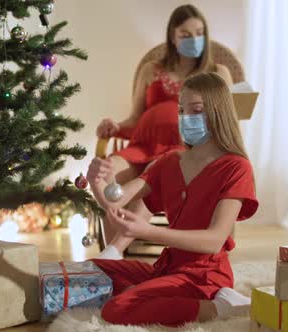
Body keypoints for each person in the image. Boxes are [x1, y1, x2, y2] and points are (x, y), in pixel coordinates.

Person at [87, 72, 257, 326]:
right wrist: (97, 182)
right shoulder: (168, 162)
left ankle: (219, 307)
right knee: (93, 269)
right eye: (181, 110)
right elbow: (116, 201)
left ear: (218, 112)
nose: (186, 118)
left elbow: (214, 241)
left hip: (204, 274)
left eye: (196, 110)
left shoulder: (236, 167)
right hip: (166, 268)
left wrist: (149, 231)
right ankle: (159, 294)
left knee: (118, 308)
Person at [95, 4, 234, 252]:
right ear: (173, 36)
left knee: (155, 174)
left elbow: (226, 120)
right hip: (142, 144)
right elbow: (135, 119)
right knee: (107, 173)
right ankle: (113, 252)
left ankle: (113, 252)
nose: (194, 39)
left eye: (199, 33)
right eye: (186, 34)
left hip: (182, 150)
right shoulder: (152, 69)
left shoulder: (217, 73)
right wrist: (115, 127)